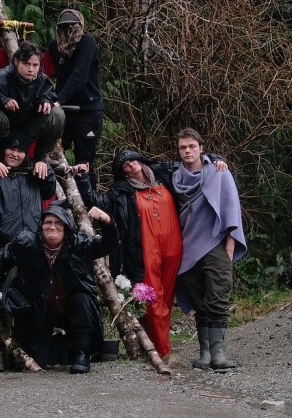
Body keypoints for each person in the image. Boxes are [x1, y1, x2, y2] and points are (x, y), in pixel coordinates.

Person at [76, 149, 228, 361]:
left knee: (166, 299)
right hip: (145, 251)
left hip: (175, 249)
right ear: (123, 173)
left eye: (132, 160)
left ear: (140, 160)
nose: (130, 165)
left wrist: (215, 159)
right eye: (125, 165)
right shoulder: (121, 192)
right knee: (153, 300)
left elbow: (192, 161)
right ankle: (164, 353)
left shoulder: (166, 174)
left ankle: (153, 345)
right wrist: (83, 177)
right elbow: (94, 201)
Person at [0, 204, 119, 374]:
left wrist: (107, 221)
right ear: (41, 226)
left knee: (82, 298)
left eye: (58, 223)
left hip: (72, 309)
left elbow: (109, 244)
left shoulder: (78, 244)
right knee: (40, 358)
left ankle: (82, 352)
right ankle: (65, 347)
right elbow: (4, 258)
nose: (52, 226)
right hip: (38, 309)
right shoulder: (26, 242)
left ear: (66, 227)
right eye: (48, 222)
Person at [172, 128, 247, 370]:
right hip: (188, 250)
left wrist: (230, 244)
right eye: (183, 147)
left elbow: (231, 208)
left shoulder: (218, 172)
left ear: (201, 147)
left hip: (215, 245)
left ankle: (219, 355)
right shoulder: (174, 179)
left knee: (218, 300)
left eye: (192, 146)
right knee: (200, 304)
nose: (187, 151)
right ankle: (205, 355)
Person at [0, 41, 65, 167]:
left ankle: (43, 156)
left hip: (28, 130)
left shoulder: (42, 80)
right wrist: (3, 100)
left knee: (57, 113)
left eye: (35, 65)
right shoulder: (2, 76)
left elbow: (50, 95)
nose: (31, 69)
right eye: (26, 64)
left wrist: (46, 101)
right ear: (16, 61)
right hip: (2, 131)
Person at [0, 129, 56, 250]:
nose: (15, 154)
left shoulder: (32, 170)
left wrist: (47, 170)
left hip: (33, 244)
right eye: (11, 149)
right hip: (0, 247)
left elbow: (48, 192)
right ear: (3, 150)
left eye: (20, 151)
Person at [48, 9, 102, 173]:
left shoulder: (87, 42)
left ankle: (86, 198)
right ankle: (58, 196)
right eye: (64, 27)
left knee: (84, 162)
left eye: (73, 26)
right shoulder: (54, 47)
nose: (69, 31)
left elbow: (80, 75)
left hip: (88, 110)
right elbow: (47, 74)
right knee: (54, 157)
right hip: (64, 112)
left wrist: (58, 100)